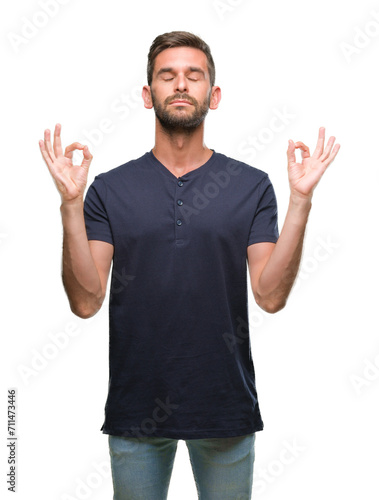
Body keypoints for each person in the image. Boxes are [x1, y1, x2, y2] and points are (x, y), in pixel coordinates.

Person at [39, 31, 340, 500]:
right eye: (167, 75)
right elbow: (84, 301)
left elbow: (270, 295)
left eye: (193, 75)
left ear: (212, 95)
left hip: (225, 408)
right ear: (148, 94)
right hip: (136, 409)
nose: (180, 84)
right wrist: (70, 206)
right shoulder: (108, 189)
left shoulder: (251, 186)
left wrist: (300, 201)